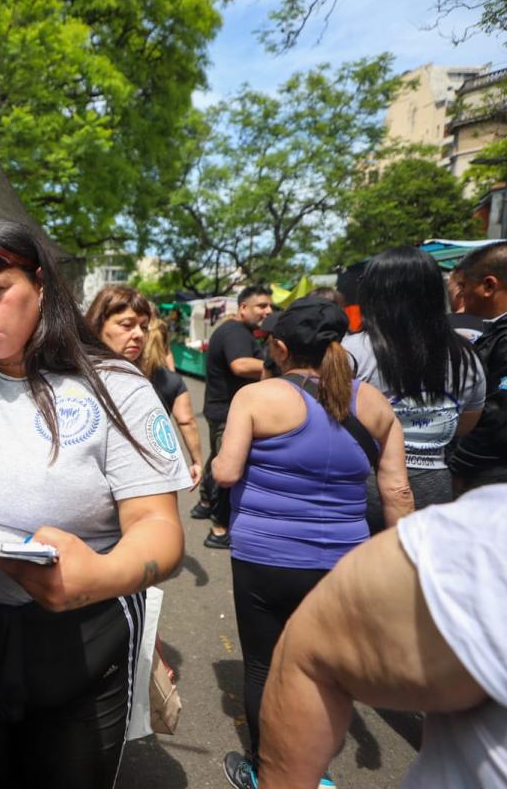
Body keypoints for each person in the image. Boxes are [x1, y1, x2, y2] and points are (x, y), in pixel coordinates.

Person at [0, 220, 190, 789]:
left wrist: (98, 577)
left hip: (79, 633)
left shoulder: (116, 387)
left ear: (42, 286)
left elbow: (159, 528)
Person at [209, 296, 413, 789]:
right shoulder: (376, 403)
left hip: (265, 556)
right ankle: (315, 774)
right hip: (342, 562)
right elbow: (397, 492)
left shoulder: (257, 398)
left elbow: (227, 472)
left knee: (265, 666)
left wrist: (214, 462)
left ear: (280, 348)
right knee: (322, 669)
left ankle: (268, 773)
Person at [258, 485, 507, 789]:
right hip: (341, 548)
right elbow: (311, 654)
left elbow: (226, 472)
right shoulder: (492, 540)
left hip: (273, 550)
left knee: (259, 665)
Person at [342, 247, 485, 531]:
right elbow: (465, 424)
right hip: (436, 487)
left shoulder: (352, 350)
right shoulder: (466, 356)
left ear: (374, 292)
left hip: (364, 485)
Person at [86, 286, 203, 490]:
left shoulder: (141, 385)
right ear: (98, 325)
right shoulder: (70, 379)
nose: (139, 334)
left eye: (144, 326)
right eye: (127, 325)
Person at [193, 286, 273, 548]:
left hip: (221, 410)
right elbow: (239, 365)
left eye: (269, 306)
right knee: (228, 469)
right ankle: (219, 530)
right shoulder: (236, 332)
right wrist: (277, 365)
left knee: (217, 459)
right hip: (227, 413)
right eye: (261, 306)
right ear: (243, 308)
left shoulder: (234, 330)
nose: (267, 311)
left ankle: (205, 503)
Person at [449, 242, 507, 491]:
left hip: (490, 476)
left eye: (463, 287)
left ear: (489, 286)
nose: (460, 297)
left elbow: (497, 415)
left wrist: (460, 466)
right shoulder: (494, 334)